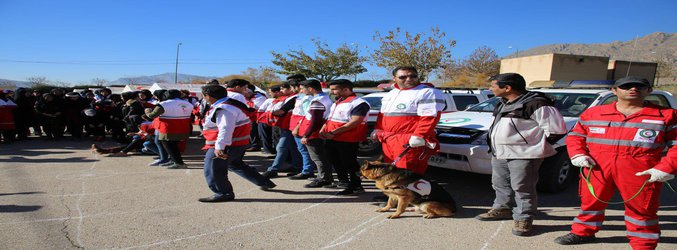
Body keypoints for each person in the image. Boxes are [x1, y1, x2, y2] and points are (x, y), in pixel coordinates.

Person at [554, 76, 677, 249]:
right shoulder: (594, 113)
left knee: (642, 208)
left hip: (641, 169)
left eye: (640, 86)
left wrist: (665, 168)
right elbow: (576, 136)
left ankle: (643, 244)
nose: (633, 89)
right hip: (597, 167)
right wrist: (577, 154)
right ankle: (583, 232)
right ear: (614, 90)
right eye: (626, 86)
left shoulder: (666, 115)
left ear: (649, 90)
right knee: (590, 203)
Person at [474, 73, 567, 237]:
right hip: (500, 152)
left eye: (493, 85)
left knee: (523, 188)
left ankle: (524, 218)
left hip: (524, 156)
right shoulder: (503, 103)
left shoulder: (537, 104)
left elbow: (556, 130)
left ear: (507, 88)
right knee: (499, 183)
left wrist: (533, 148)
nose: (490, 88)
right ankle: (501, 209)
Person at [198, 84, 276, 202]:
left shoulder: (224, 108)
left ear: (208, 96)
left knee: (213, 169)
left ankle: (223, 192)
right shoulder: (231, 104)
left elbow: (225, 128)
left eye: (203, 96)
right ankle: (264, 182)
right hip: (236, 143)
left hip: (226, 144)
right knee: (235, 164)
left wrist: (219, 147)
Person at [373, 66, 445, 176]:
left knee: (407, 173)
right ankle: (395, 193)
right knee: (391, 170)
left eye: (413, 76)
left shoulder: (426, 92)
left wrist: (419, 135)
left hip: (408, 140)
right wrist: (377, 130)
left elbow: (429, 117)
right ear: (394, 78)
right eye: (403, 77)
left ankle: (410, 193)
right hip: (388, 139)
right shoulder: (391, 94)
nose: (409, 79)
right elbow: (382, 115)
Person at [319, 79, 370, 195]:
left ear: (346, 89)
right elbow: (330, 118)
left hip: (348, 139)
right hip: (332, 138)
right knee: (334, 160)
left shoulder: (359, 103)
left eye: (334, 89)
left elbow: (354, 122)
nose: (331, 92)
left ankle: (356, 185)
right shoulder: (338, 101)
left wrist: (333, 132)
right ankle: (343, 181)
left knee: (349, 163)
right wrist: (324, 129)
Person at [295, 80, 335, 188]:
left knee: (318, 157)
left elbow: (315, 121)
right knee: (320, 156)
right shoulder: (321, 98)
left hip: (314, 134)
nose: (301, 91)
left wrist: (306, 135)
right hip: (314, 132)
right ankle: (324, 176)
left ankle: (324, 178)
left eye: (303, 88)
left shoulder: (318, 101)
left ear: (311, 89)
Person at [144, 89, 193, 169]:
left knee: (168, 145)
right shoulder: (187, 104)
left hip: (168, 128)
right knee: (175, 145)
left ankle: (178, 163)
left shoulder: (163, 104)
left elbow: (152, 115)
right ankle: (175, 161)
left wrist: (147, 111)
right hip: (183, 127)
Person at [262, 82, 302, 178]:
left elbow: (282, 111)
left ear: (291, 89)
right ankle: (298, 167)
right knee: (293, 148)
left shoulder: (295, 98)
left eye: (283, 89)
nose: (281, 91)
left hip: (290, 126)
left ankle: (273, 169)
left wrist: (272, 113)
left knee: (281, 147)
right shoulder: (288, 98)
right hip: (286, 126)